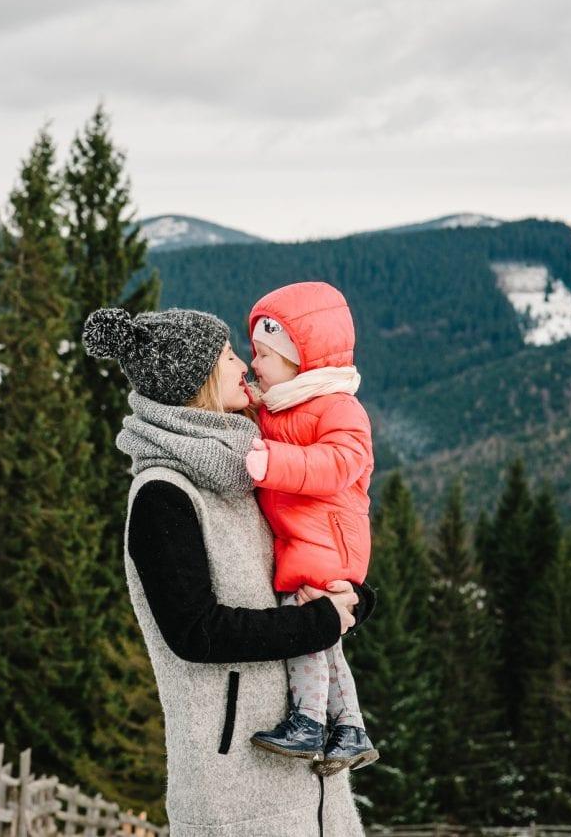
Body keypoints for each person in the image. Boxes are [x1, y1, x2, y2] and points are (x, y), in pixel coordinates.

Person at [82, 305, 373, 837]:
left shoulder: (245, 473)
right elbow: (196, 632)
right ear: (198, 379)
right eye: (228, 355)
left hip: (318, 798)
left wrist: (349, 598)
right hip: (235, 793)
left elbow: (296, 562)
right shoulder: (163, 495)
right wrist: (320, 623)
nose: (244, 364)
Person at [241, 281, 379, 774]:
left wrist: (270, 461)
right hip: (311, 539)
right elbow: (267, 419)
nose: (253, 363)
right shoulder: (288, 405)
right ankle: (350, 728)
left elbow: (340, 464)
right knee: (328, 638)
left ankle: (308, 722)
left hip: (328, 544)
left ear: (300, 358)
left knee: (306, 626)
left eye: (264, 354)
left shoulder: (340, 408)